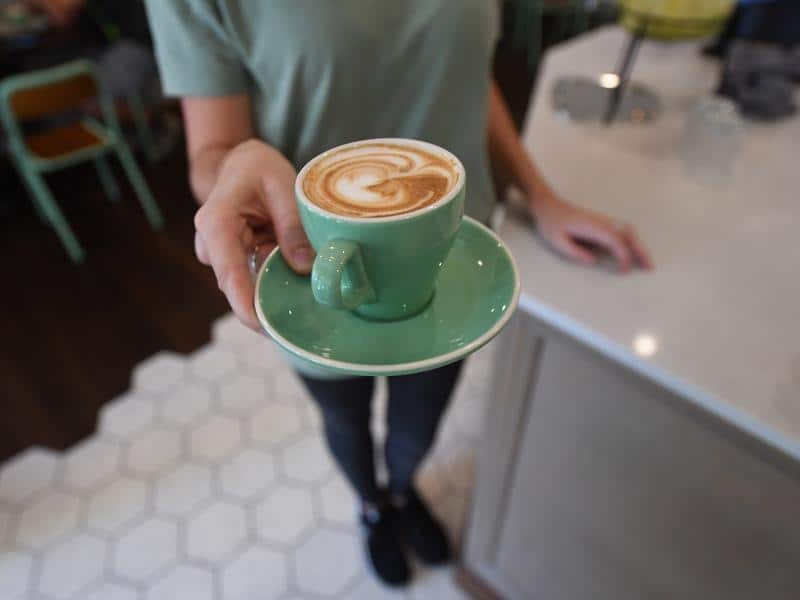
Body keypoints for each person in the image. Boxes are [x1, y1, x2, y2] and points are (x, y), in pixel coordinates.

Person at [144, 1, 652, 587]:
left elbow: (464, 77)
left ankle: (404, 493)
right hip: (318, 274)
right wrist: (235, 165)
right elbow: (212, 148)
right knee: (346, 419)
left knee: (419, 422)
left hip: (447, 264)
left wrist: (538, 194)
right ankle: (372, 506)